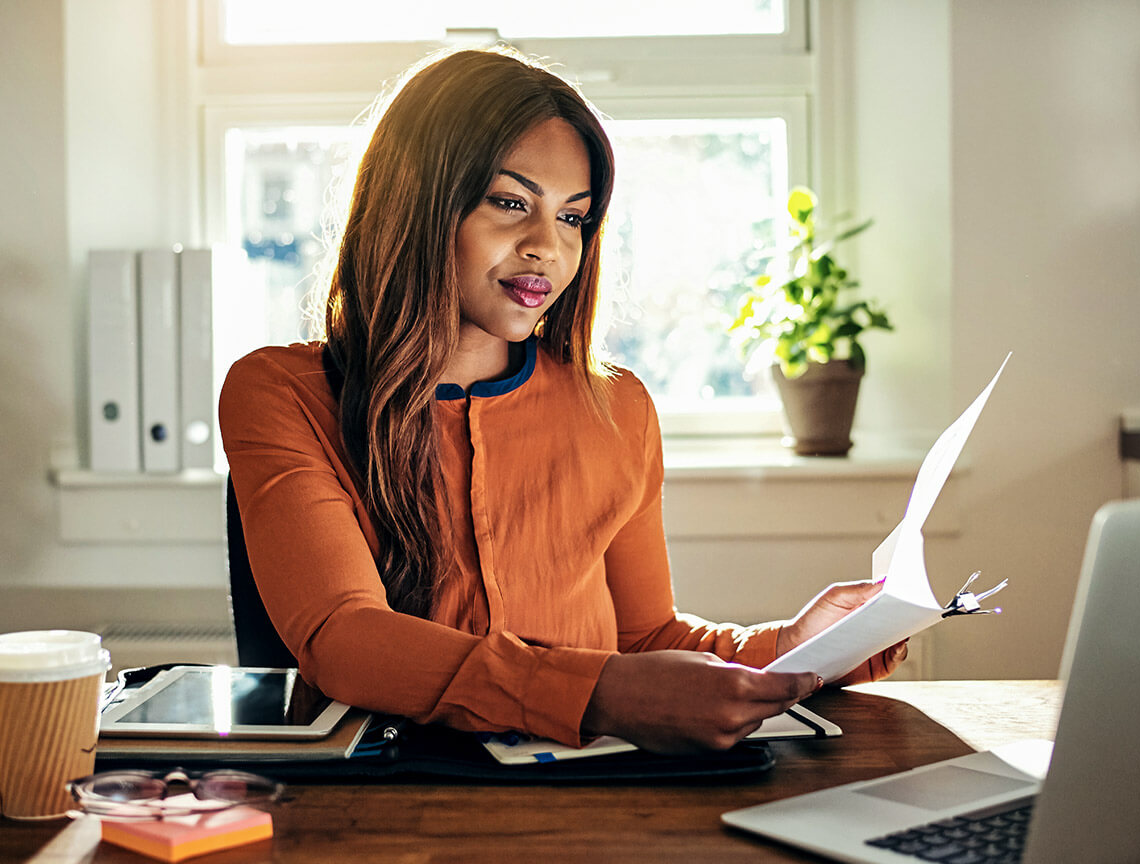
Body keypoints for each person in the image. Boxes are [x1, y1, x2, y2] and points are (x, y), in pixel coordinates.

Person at [219, 47, 905, 754]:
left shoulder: (619, 407)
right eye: (511, 203)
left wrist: (792, 646)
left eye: (573, 218)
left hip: (592, 796)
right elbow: (346, 638)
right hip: (393, 803)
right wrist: (600, 694)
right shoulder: (278, 392)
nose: (548, 246)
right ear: (415, 200)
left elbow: (644, 640)